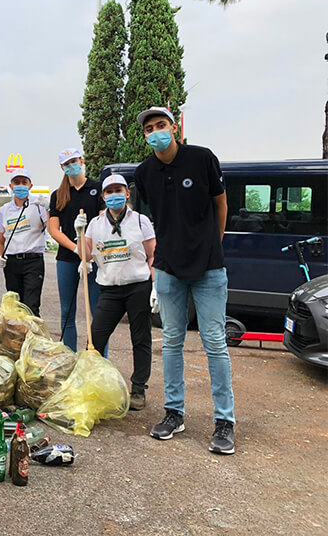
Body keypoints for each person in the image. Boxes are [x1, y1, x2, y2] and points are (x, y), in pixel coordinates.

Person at [134, 106, 235, 455]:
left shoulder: (203, 159)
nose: (156, 132)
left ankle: (225, 422)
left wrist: (214, 243)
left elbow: (221, 205)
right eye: (149, 128)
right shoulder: (144, 173)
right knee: (172, 340)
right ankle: (174, 413)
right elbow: (150, 219)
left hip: (208, 267)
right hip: (166, 269)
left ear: (174, 128)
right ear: (145, 136)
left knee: (214, 342)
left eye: (161, 125)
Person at [83, 174, 155, 410]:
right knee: (95, 338)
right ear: (103, 197)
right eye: (109, 191)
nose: (114, 195)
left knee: (140, 339)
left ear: (127, 193)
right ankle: (91, 384)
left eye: (118, 190)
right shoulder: (95, 224)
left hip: (138, 287)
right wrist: (79, 233)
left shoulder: (141, 221)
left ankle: (138, 389)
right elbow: (84, 254)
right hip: (110, 289)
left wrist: (156, 286)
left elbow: (152, 255)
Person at [47, 148, 104, 351]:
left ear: (82, 160)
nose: (71, 166)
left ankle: (98, 359)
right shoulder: (58, 195)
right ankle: (70, 357)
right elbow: (54, 230)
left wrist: (87, 252)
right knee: (67, 311)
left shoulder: (97, 188)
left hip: (94, 258)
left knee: (97, 311)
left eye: (74, 161)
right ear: (62, 168)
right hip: (67, 258)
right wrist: (76, 249)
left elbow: (103, 222)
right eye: (66, 164)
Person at [0, 168, 48, 316]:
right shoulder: (4, 210)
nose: (20, 185)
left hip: (33, 261)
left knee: (31, 306)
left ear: (30, 186)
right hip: (11, 263)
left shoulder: (38, 206)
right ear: (10, 186)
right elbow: (0, 241)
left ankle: (32, 338)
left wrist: (49, 208)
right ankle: (16, 339)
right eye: (16, 182)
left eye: (24, 182)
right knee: (14, 308)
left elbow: (52, 227)